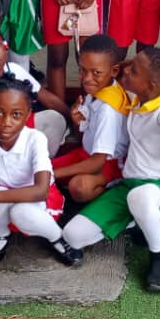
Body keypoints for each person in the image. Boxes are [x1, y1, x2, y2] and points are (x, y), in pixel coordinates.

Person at [61, 47, 160, 292]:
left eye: (133, 71)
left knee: (140, 197)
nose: (125, 72)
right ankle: (139, 222)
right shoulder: (138, 97)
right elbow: (125, 72)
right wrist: (126, 65)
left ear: (151, 85)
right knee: (72, 236)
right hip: (128, 186)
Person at [0, 76, 82, 266]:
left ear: (28, 116)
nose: (6, 122)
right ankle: (0, 235)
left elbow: (41, 191)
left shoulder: (35, 139)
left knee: (20, 212)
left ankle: (57, 237)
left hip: (38, 201)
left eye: (16, 114)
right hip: (3, 195)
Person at [0, 19, 70, 158]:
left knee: (54, 119)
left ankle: (40, 164)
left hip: (18, 134)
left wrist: (73, 121)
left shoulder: (14, 70)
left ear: (5, 45)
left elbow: (49, 99)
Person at [53, 35, 129, 204]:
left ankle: (112, 191)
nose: (87, 78)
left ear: (114, 71)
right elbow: (86, 138)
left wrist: (53, 175)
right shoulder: (96, 92)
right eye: (83, 70)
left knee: (79, 187)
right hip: (85, 155)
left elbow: (97, 163)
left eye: (96, 72)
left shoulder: (108, 109)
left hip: (108, 165)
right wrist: (77, 122)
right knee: (40, 169)